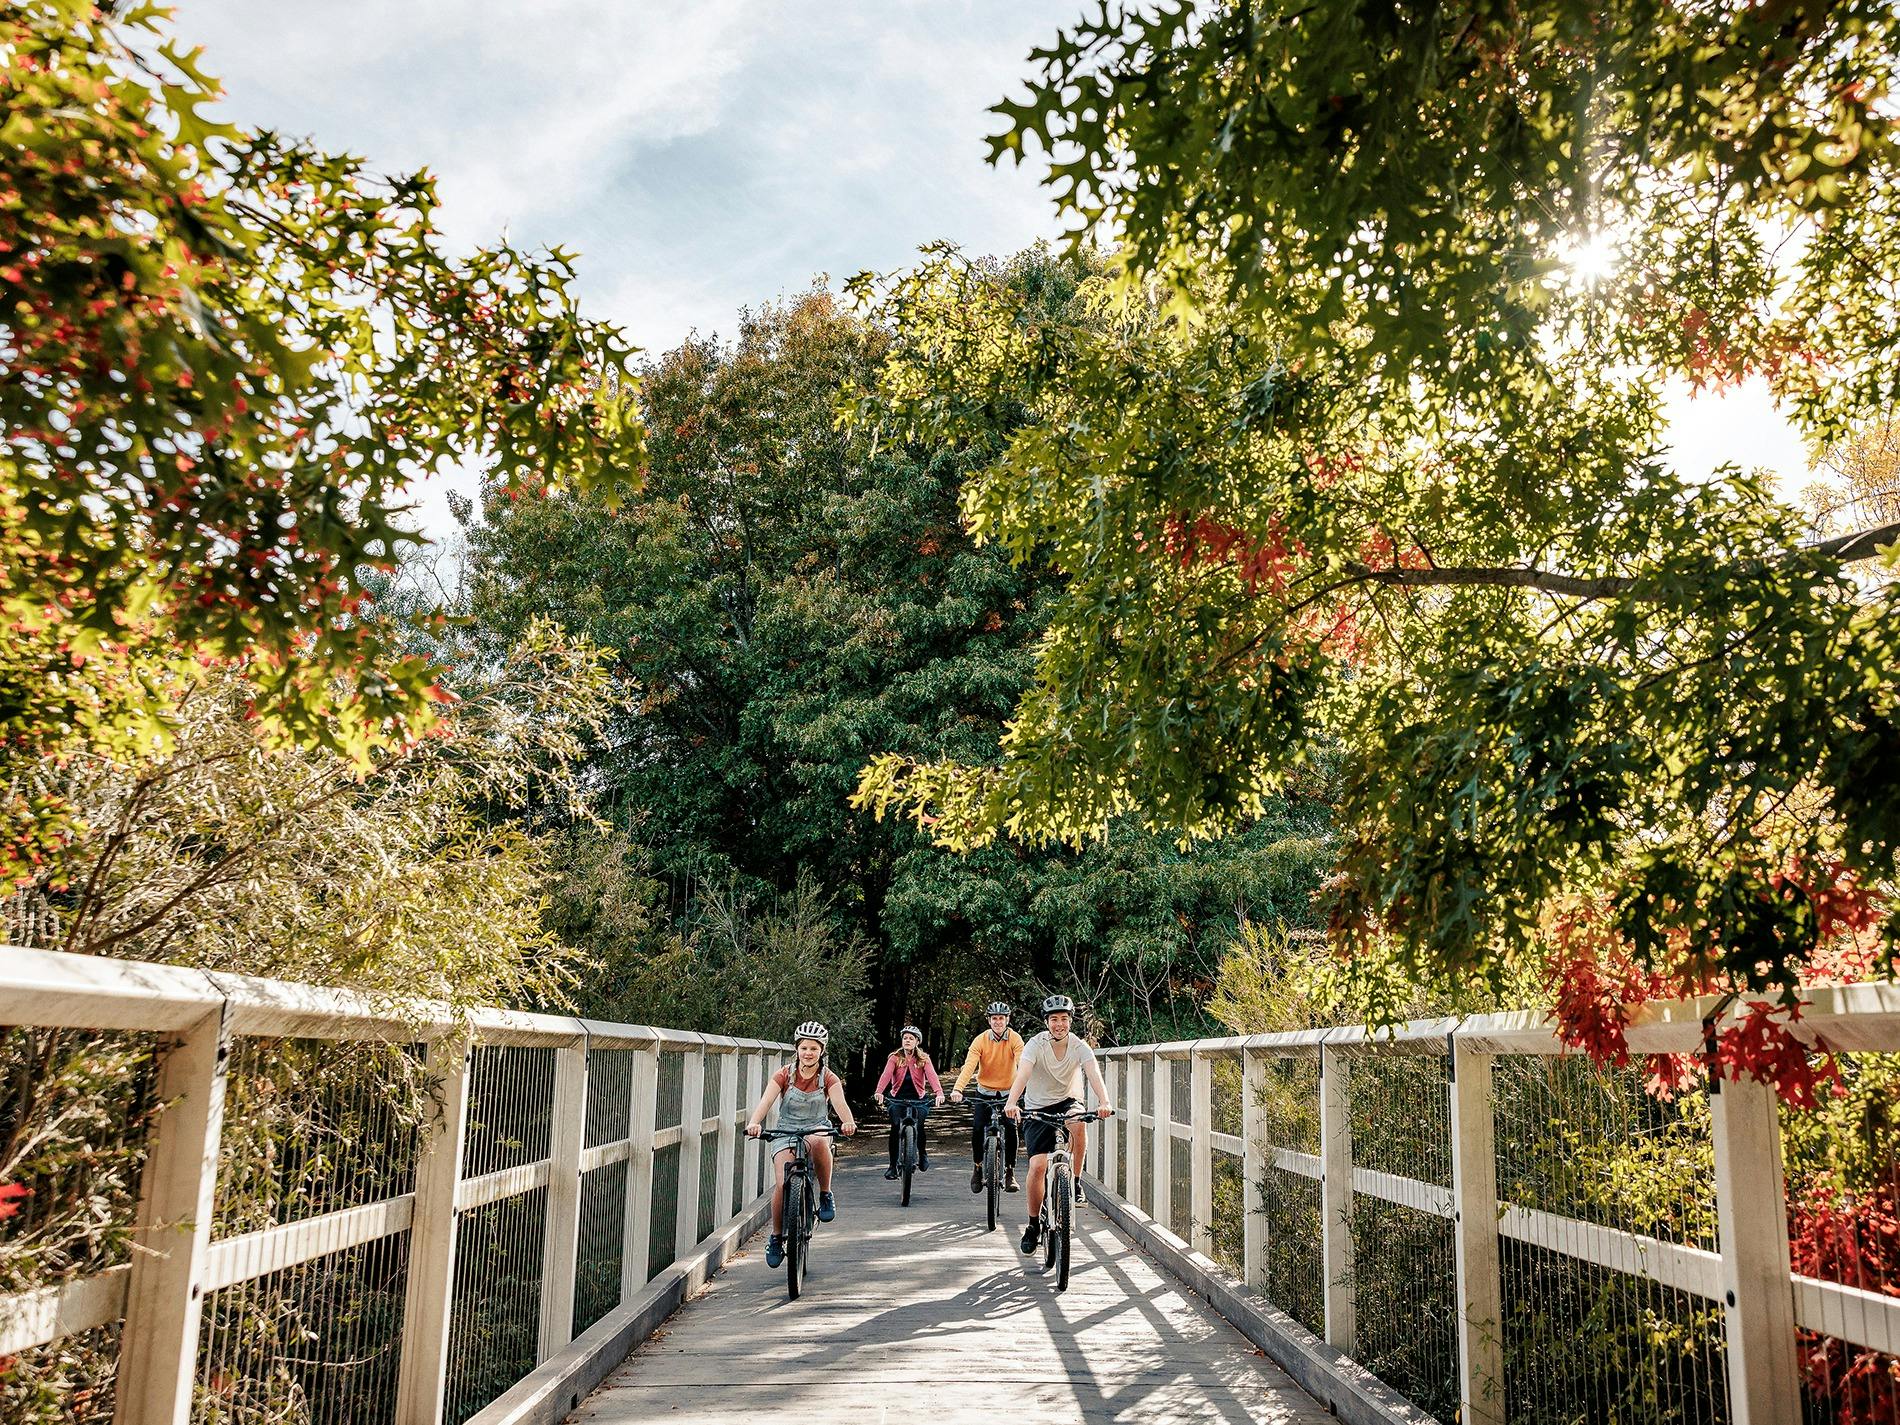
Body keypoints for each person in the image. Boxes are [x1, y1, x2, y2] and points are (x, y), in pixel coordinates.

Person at [1004, 994, 1114, 1256]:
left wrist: (1105, 1101)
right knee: (1037, 1166)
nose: (1059, 1024)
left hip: (1068, 1100)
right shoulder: (1035, 1045)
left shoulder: (1079, 1046)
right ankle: (1032, 1224)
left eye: (1064, 1019)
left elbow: (1093, 1072)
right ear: (1047, 1022)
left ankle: (1075, 1182)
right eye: (1054, 1020)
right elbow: (1024, 1073)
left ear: (1070, 1022)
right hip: (1037, 1106)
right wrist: (1012, 1102)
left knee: (1078, 1122)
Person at [745, 1021, 857, 1269]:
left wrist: (848, 1122)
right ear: (796, 1049)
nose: (808, 1053)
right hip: (786, 1129)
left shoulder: (828, 1077)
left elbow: (839, 1103)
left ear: (822, 1051)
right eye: (804, 1047)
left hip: (816, 1125)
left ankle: (825, 1194)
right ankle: (775, 1238)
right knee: (783, 1182)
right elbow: (766, 1101)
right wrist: (755, 1123)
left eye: (814, 1049)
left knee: (818, 1140)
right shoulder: (783, 1074)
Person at [949, 1001, 1024, 1194]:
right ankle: (978, 1167)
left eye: (1001, 1018)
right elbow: (969, 1066)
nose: (998, 1022)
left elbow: (1023, 1065)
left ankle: (1010, 1171)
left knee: (1011, 1128)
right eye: (994, 1018)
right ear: (989, 1020)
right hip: (985, 1091)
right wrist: (958, 1089)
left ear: (1007, 1020)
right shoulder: (980, 1040)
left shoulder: (1015, 1039)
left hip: (1009, 1093)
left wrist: (1025, 1092)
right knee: (976, 1129)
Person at [873, 1025, 945, 1177]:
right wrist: (879, 1092)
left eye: (911, 1038)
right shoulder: (895, 1057)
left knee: (919, 1125)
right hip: (897, 1099)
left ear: (917, 1041)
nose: (907, 1040)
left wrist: (939, 1093)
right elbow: (886, 1075)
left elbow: (932, 1076)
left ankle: (922, 1153)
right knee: (895, 1127)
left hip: (919, 1099)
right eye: (905, 1038)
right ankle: (893, 1166)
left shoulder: (924, 1059)